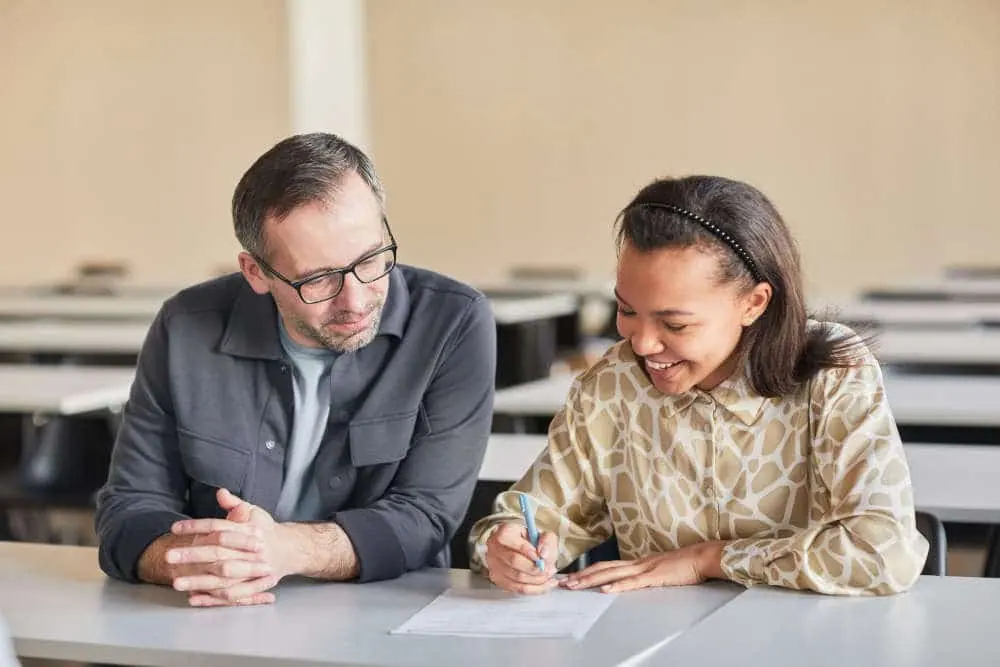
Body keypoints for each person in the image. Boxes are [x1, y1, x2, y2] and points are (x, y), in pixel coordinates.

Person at [470, 175, 928, 596]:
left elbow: (884, 553)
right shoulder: (612, 386)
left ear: (753, 303)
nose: (643, 343)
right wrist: (506, 548)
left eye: (675, 323)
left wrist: (709, 559)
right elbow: (531, 518)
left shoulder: (832, 374)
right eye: (627, 311)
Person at [95, 132, 496, 607]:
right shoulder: (185, 327)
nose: (357, 299)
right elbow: (129, 509)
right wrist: (192, 561)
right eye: (318, 279)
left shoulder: (453, 322)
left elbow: (426, 516)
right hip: (216, 615)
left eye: (371, 259)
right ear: (255, 272)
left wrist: (283, 550)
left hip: (386, 612)